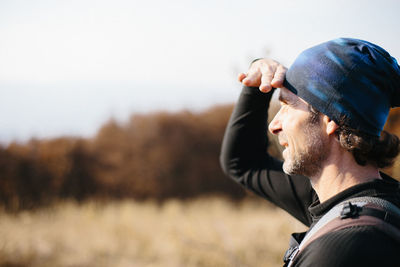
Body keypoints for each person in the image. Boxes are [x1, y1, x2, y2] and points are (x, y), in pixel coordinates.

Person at [220, 38, 400, 266]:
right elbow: (244, 163)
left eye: (287, 105)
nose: (274, 125)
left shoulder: (341, 251)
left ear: (330, 119)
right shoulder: (355, 203)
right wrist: (257, 86)